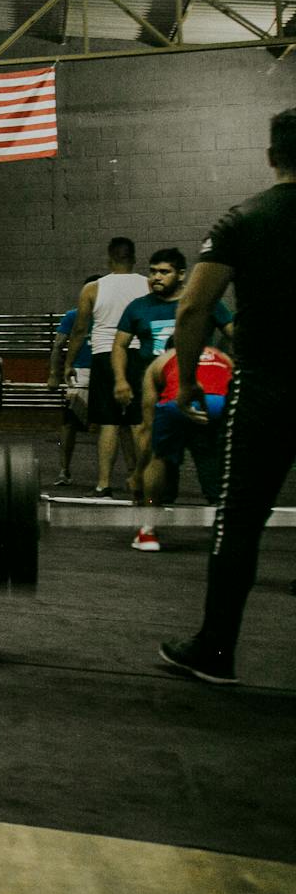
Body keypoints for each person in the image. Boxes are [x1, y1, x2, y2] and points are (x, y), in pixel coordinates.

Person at [158, 106, 296, 687]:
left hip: (267, 386)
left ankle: (216, 651)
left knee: (240, 520)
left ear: (271, 156)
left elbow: (192, 309)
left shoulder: (244, 219)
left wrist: (187, 380)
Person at [114, 248, 233, 550]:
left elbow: (236, 333)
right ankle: (227, 529)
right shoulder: (138, 307)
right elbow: (119, 345)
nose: (155, 277)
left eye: (163, 271)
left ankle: (149, 526)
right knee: (211, 462)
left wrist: (138, 474)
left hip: (171, 396)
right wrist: (120, 380)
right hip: (205, 397)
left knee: (158, 459)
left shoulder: (204, 304)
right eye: (152, 271)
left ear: (181, 275)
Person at [61, 238, 148, 499]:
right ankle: (141, 481)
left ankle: (103, 484)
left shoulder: (93, 288)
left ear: (109, 259)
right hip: (137, 356)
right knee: (137, 422)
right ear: (133, 258)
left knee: (109, 423)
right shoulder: (147, 284)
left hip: (104, 356)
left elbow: (79, 330)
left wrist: (68, 363)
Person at [137, 342, 233, 517]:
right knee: (208, 452)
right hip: (219, 404)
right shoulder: (221, 356)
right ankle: (217, 500)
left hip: (176, 403)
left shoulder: (161, 360)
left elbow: (147, 422)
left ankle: (152, 508)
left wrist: (137, 473)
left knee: (161, 456)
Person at [44, 283, 97, 486]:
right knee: (68, 424)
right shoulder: (73, 316)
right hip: (78, 375)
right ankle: (64, 471)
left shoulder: (109, 316)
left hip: (105, 374)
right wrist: (53, 375)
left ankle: (128, 473)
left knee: (117, 426)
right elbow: (58, 346)